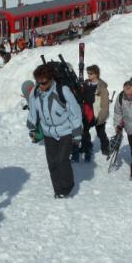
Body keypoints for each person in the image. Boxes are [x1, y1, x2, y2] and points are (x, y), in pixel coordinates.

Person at [27, 64, 82, 198]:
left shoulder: (63, 91)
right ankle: (58, 190)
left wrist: (77, 134)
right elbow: (33, 111)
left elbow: (75, 112)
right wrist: (32, 127)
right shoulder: (35, 93)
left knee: (62, 160)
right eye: (38, 82)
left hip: (65, 131)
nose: (41, 85)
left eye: (44, 82)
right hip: (48, 133)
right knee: (52, 162)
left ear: (51, 79)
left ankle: (67, 187)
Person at [80, 64, 110, 160]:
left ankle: (105, 147)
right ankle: (86, 146)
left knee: (101, 133)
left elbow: (105, 106)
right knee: (84, 131)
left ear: (96, 74)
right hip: (87, 111)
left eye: (91, 73)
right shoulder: (85, 84)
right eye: (88, 73)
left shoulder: (102, 88)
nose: (88, 75)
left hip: (97, 113)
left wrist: (100, 119)